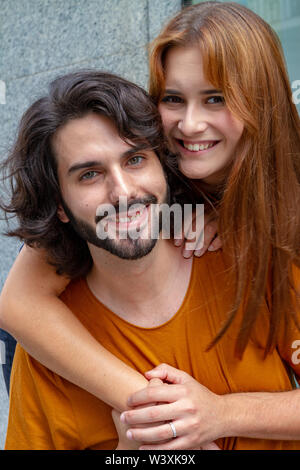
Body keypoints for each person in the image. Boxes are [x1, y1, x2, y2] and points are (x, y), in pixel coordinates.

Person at [1, 0, 300, 450]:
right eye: (173, 99)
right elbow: (19, 304)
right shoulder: (150, 167)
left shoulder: (274, 236)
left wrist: (217, 415)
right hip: (62, 332)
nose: (190, 123)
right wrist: (155, 413)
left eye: (216, 98)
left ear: (260, 99)